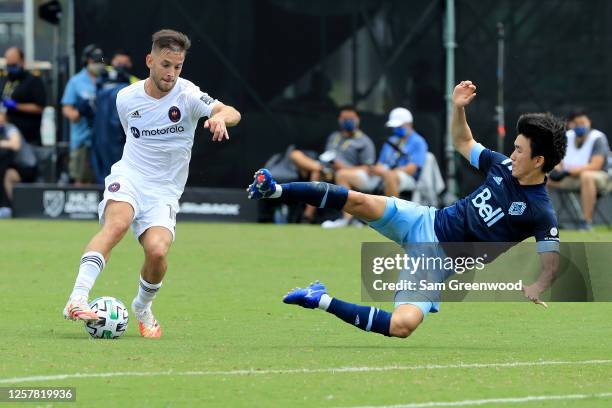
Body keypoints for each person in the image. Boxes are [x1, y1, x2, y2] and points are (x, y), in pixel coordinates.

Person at [248, 80, 566, 339]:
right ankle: (275, 189)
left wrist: (538, 286)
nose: (512, 153)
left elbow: (551, 263)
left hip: (435, 263)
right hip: (423, 220)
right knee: (358, 200)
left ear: (538, 161)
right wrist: (458, 108)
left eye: (520, 150)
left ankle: (319, 299)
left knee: (402, 327)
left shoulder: (540, 211)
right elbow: (462, 141)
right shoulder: (502, 165)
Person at [62, 29, 241, 338]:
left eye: (178, 66)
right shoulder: (125, 98)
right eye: (166, 64)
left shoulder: (187, 95)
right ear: (150, 61)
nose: (171, 73)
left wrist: (221, 118)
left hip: (164, 191)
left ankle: (142, 307)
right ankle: (77, 298)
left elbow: (231, 111)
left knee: (157, 252)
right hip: (129, 176)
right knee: (116, 225)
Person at [288, 106, 375, 224]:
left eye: (351, 118)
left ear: (358, 119)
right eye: (345, 118)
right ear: (339, 120)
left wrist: (342, 167)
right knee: (295, 154)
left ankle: (311, 217)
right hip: (326, 167)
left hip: (346, 172)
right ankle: (307, 217)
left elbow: (367, 168)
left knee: (322, 173)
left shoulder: (364, 141)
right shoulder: (334, 136)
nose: (348, 121)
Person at [548, 109, 610, 230]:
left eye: (583, 122)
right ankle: (544, 219)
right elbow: (558, 159)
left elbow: (595, 166)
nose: (580, 126)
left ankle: (586, 222)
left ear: (589, 123)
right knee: (543, 178)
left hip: (601, 178)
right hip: (570, 178)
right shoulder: (566, 137)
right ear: (570, 124)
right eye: (577, 123)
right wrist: (557, 168)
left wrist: (568, 171)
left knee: (586, 176)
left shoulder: (598, 138)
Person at [61, 44, 105, 185]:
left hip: (104, 138)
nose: (97, 64)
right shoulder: (76, 81)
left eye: (100, 61)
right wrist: (78, 112)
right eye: (94, 61)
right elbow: (66, 108)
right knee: (81, 177)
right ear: (87, 61)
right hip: (83, 137)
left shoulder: (106, 78)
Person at [366, 107, 428, 197]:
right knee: (347, 175)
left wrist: (386, 172)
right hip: (384, 174)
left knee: (391, 177)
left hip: (408, 178)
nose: (396, 129)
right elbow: (380, 164)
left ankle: (392, 210)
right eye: (394, 127)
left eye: (399, 126)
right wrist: (376, 170)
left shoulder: (418, 141)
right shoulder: (391, 140)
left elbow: (411, 170)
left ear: (409, 124)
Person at [1, 47, 47, 146]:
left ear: (22, 62)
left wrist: (16, 106)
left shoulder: (33, 81)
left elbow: (39, 107)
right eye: (9, 65)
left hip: (29, 137)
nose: (11, 68)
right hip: (8, 134)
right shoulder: (5, 80)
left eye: (14, 65)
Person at [0, 109, 37, 218]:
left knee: (6, 174)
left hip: (27, 166)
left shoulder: (10, 128)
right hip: (11, 166)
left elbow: (16, 145)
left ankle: (10, 208)